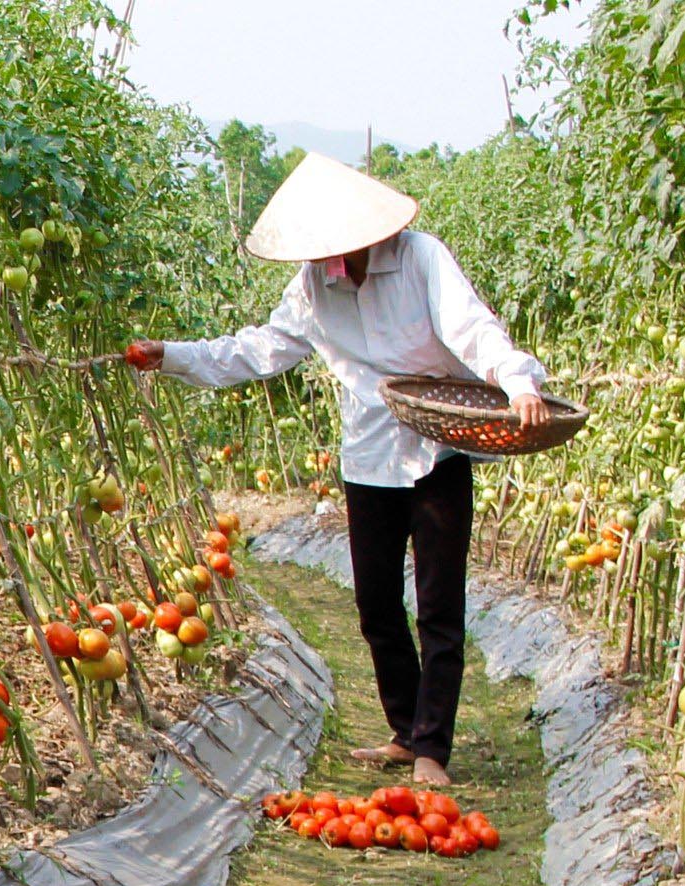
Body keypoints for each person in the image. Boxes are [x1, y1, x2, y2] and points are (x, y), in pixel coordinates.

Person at [129, 153, 547, 788]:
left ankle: (433, 748)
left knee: (438, 606)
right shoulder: (314, 284)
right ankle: (405, 732)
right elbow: (261, 348)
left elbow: (473, 330)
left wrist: (517, 381)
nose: (337, 258)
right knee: (376, 604)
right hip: (369, 458)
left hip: (438, 451)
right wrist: (173, 357)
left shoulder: (421, 259)